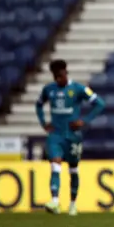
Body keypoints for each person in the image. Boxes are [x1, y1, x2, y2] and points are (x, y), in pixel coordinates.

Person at [35, 59, 106, 215]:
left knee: (73, 169)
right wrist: (43, 123)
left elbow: (100, 103)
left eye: (63, 75)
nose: (62, 78)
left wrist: (84, 121)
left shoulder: (78, 89)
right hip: (56, 135)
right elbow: (39, 104)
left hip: (73, 136)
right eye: (58, 76)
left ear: (66, 73)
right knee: (55, 164)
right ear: (54, 77)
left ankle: (72, 204)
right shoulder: (49, 90)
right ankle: (55, 202)